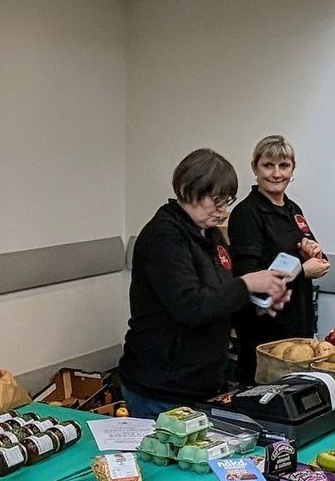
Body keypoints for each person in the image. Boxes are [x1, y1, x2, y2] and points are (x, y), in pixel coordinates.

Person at [118, 148, 291, 418]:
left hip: (203, 386)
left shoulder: (210, 236)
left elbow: (218, 298)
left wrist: (257, 303)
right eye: (216, 201)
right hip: (160, 390)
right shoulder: (163, 236)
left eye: (227, 201)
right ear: (188, 190)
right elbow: (192, 307)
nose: (223, 211)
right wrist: (246, 284)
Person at [228, 135, 331, 384]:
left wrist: (314, 252)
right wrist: (302, 271)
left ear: (292, 168)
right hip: (264, 330)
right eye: (268, 165)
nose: (276, 174)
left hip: (298, 322)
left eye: (283, 166)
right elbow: (249, 277)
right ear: (255, 167)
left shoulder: (292, 210)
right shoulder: (247, 214)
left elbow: (317, 258)